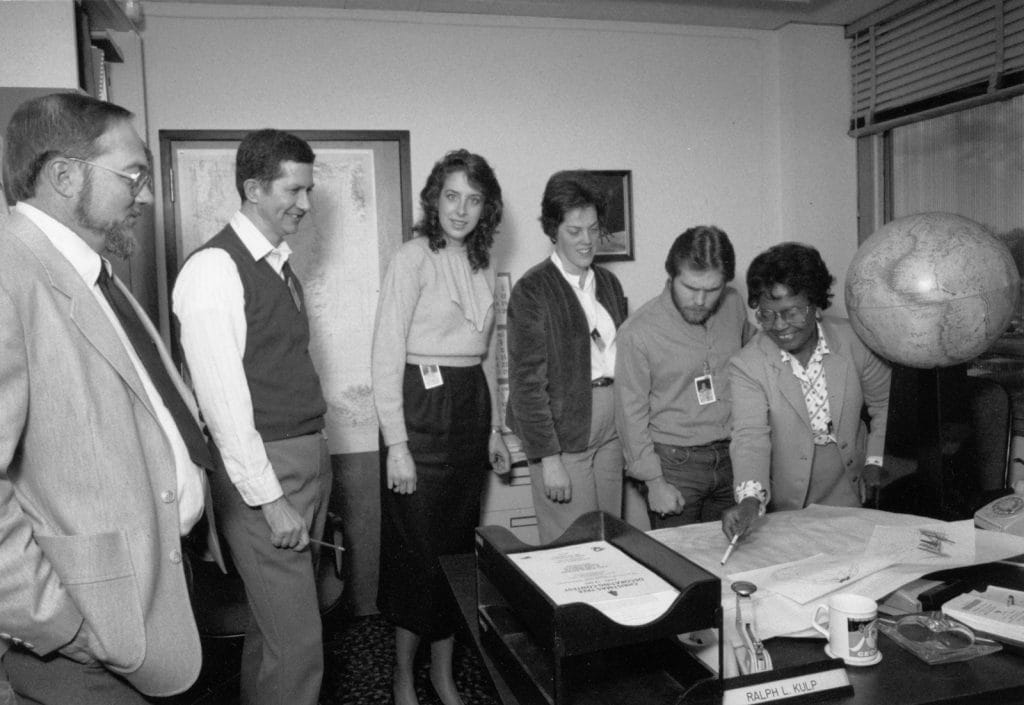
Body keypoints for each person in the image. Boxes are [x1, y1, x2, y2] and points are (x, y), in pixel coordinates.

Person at [0, 92, 221, 704]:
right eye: (134, 175)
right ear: (64, 175)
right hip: (86, 641)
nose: (146, 195)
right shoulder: (9, 273)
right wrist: (60, 625)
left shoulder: (90, 272)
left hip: (153, 595)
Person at [172, 129, 332, 705]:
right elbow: (221, 403)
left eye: (308, 190)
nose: (305, 204)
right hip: (266, 475)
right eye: (294, 190)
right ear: (253, 188)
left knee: (273, 632)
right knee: (299, 645)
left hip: (303, 459)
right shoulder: (215, 268)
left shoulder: (277, 266)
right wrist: (269, 498)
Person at [371, 149, 510, 705]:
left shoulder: (481, 261)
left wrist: (496, 429)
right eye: (452, 196)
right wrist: (396, 446)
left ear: (486, 208)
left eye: (474, 199)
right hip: (419, 413)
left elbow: (487, 353)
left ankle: (443, 674)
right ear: (435, 198)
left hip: (468, 410)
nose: (461, 209)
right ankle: (405, 674)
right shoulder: (412, 257)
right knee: (416, 554)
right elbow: (384, 353)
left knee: (456, 552)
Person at [722, 242, 890, 540]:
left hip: (851, 485)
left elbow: (884, 404)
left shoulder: (856, 340)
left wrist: (875, 461)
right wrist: (750, 500)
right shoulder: (747, 364)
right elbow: (750, 437)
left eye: (792, 312)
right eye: (766, 314)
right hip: (788, 500)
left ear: (815, 303)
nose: (780, 326)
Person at [507, 170, 629, 544]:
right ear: (553, 230)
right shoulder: (533, 289)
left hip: (610, 430)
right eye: (575, 231)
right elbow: (526, 384)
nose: (587, 240)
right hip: (563, 435)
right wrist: (548, 458)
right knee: (572, 548)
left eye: (593, 229)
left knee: (609, 539)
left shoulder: (608, 283)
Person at [614, 226, 755, 528]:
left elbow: (752, 367)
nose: (701, 300)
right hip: (675, 467)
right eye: (690, 288)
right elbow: (630, 416)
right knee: (681, 568)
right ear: (671, 277)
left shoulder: (733, 304)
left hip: (732, 457)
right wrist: (654, 483)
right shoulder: (637, 332)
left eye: (712, 289)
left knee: (737, 560)